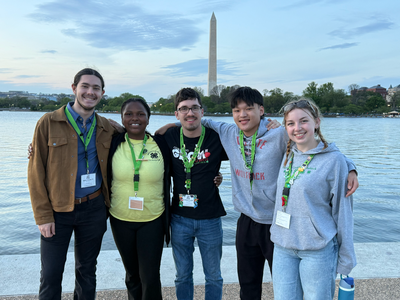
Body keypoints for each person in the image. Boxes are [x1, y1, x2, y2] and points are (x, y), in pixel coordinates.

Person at [157, 86, 358, 300]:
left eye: (248, 109)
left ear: (261, 110)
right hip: (246, 221)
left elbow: (314, 150)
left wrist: (350, 167)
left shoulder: (279, 134)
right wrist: (173, 124)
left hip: (276, 223)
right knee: (248, 285)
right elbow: (199, 121)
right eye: (237, 110)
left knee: (285, 286)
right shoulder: (228, 132)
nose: (242, 115)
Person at [27, 68, 116, 299]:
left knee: (87, 271)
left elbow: (135, 132)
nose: (90, 92)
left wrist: (170, 127)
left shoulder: (107, 127)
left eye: (96, 88)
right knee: (51, 273)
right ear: (74, 88)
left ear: (102, 93)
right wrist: (43, 216)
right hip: (57, 211)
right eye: (85, 86)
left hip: (94, 209)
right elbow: (35, 173)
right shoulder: (48, 122)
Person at [270, 99, 357, 300]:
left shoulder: (334, 161)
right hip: (283, 246)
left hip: (317, 249)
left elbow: (343, 212)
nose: (297, 128)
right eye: (290, 123)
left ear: (316, 122)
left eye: (304, 121)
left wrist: (346, 258)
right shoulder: (287, 154)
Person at [160, 88, 228, 300]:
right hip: (179, 218)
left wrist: (268, 123)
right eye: (184, 109)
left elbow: (245, 141)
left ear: (202, 110)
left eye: (194, 108)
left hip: (210, 218)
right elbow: (143, 137)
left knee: (214, 276)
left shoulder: (217, 138)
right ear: (177, 113)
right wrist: (171, 125)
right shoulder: (169, 136)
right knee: (182, 276)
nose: (190, 113)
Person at [107, 98, 171, 300]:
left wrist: (175, 123)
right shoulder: (112, 143)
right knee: (132, 275)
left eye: (141, 114)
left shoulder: (160, 144)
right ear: (122, 119)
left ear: (149, 119)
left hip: (152, 219)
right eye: (129, 114)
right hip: (120, 219)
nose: (135, 118)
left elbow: (190, 130)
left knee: (150, 276)